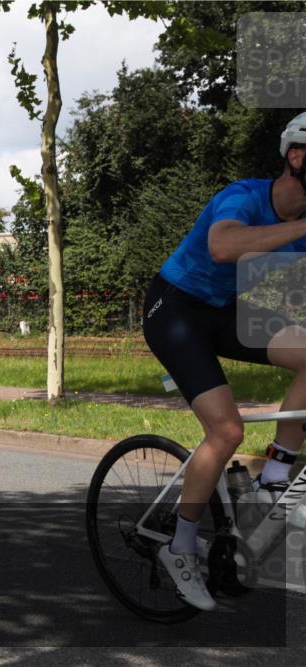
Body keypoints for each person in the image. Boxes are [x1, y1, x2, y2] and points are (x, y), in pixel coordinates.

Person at [143, 112, 306, 610]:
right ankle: (182, 545)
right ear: (296, 157)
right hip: (174, 308)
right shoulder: (245, 195)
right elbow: (222, 245)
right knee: (227, 432)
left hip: (223, 312)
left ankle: (275, 478)